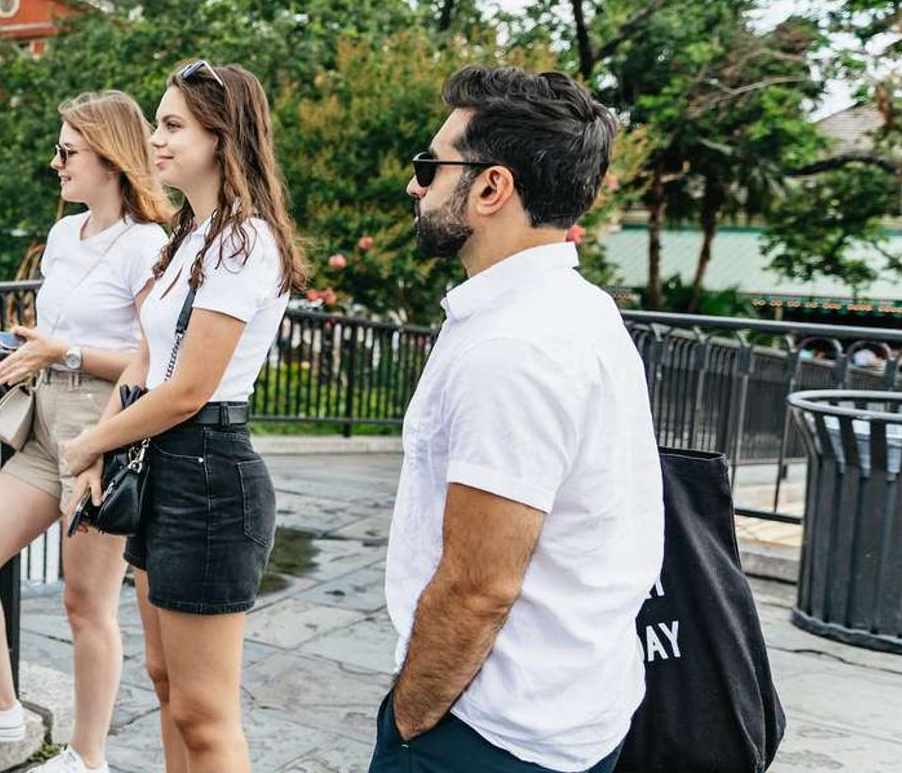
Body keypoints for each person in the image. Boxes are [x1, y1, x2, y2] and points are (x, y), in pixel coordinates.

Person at [372, 67, 662, 773]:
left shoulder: (514, 347)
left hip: (491, 730)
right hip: (573, 710)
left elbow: (479, 586)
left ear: (491, 187)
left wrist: (409, 719)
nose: (416, 184)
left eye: (430, 166)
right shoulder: (577, 307)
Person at [61, 61, 309, 773]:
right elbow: (146, 361)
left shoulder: (244, 241)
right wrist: (104, 457)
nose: (155, 139)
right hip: (163, 463)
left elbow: (190, 388)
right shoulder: (192, 236)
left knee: (205, 713)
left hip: (208, 472)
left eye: (172, 125)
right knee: (166, 682)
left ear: (221, 137)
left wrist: (86, 444)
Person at [0, 91, 172, 773]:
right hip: (45, 425)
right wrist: (31, 349)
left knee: (85, 602)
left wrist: (61, 350)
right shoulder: (66, 235)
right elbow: (60, 333)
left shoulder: (148, 245)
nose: (55, 161)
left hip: (104, 429)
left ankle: (88, 757)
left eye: (68, 150)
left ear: (111, 159)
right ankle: (2, 707)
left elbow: (155, 362)